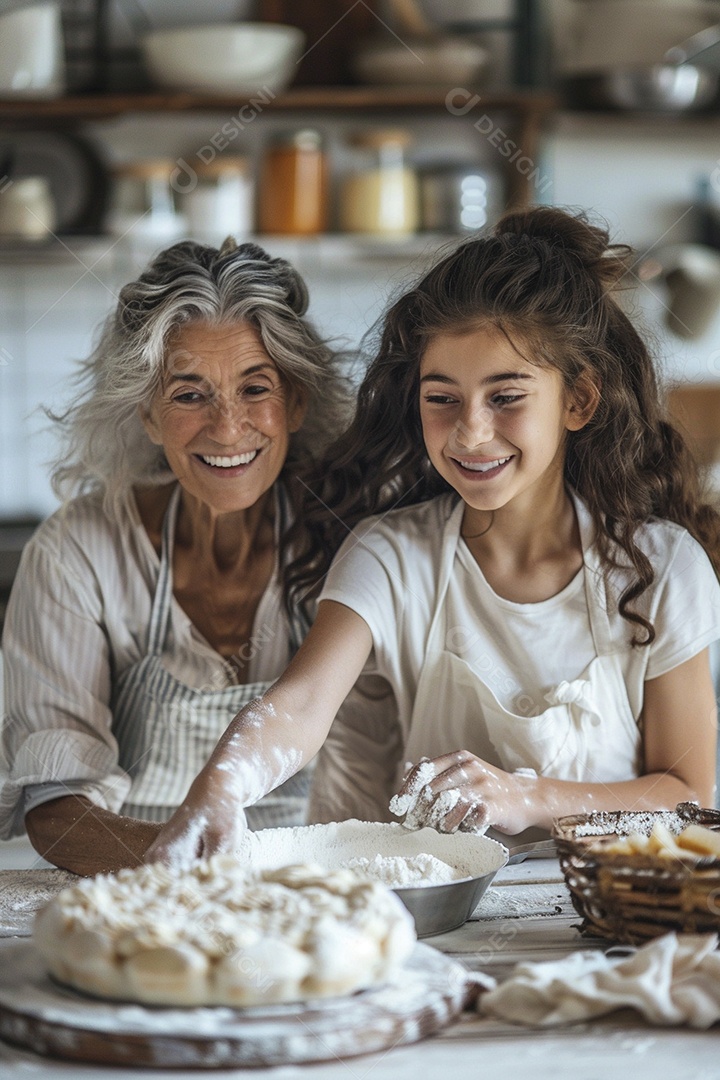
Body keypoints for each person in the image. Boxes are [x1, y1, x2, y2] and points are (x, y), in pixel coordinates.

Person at [144, 206, 720, 868]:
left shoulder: (663, 568)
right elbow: (299, 707)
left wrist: (523, 797)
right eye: (441, 398)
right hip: (438, 922)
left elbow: (685, 794)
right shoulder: (390, 556)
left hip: (607, 918)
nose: (471, 433)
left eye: (505, 397)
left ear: (578, 401)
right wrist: (220, 786)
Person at [0, 236, 354, 875]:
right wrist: (208, 863)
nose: (226, 427)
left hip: (322, 879)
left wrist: (275, 873)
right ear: (147, 414)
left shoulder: (351, 538)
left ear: (296, 401)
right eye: (189, 394)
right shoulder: (78, 552)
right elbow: (56, 807)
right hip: (136, 881)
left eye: (255, 388)